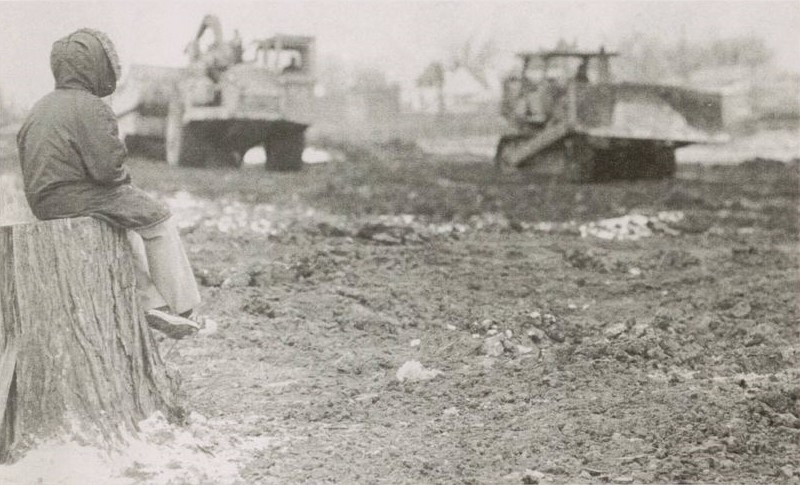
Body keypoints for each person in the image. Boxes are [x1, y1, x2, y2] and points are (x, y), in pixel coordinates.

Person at [16, 28, 202, 339]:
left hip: (42, 202)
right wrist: (123, 185)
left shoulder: (40, 107)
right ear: (95, 65)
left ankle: (153, 303)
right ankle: (184, 308)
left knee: (123, 223)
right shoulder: (91, 105)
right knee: (157, 219)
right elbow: (107, 172)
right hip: (76, 196)